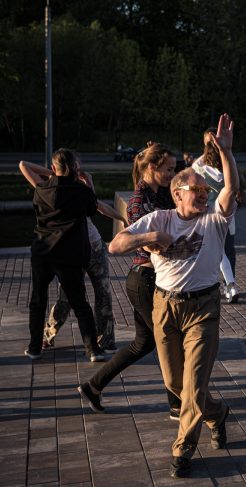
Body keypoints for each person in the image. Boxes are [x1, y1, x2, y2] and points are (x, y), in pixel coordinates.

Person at [109, 113, 238, 479]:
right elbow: (115, 245)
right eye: (197, 191)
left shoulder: (214, 220)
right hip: (164, 306)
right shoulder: (160, 219)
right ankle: (218, 413)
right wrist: (149, 238)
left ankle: (182, 449)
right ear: (178, 193)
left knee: (193, 387)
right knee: (175, 385)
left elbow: (230, 189)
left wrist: (225, 152)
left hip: (203, 308)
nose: (204, 196)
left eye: (206, 192)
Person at [77, 142, 182, 418]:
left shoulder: (159, 193)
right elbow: (150, 244)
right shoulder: (139, 201)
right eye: (168, 169)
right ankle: (177, 404)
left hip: (150, 279)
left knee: (143, 343)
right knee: (168, 341)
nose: (173, 174)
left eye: (174, 169)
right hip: (144, 281)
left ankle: (93, 386)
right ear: (152, 167)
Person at [19, 160, 124, 354]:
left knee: (104, 293)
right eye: (73, 165)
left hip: (95, 247)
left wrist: (122, 218)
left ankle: (106, 340)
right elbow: (24, 165)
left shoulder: (82, 188)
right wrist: (55, 174)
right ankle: (48, 334)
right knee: (66, 298)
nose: (77, 168)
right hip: (75, 250)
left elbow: (97, 206)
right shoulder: (52, 189)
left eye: (77, 165)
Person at [193, 128, 240, 303]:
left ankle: (227, 285)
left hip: (209, 214)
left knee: (220, 251)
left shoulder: (199, 165)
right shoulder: (228, 162)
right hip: (226, 212)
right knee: (227, 250)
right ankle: (230, 285)